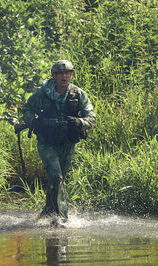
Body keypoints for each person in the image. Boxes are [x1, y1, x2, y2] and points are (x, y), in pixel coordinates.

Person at [21, 60, 96, 220]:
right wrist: (33, 121)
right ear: (54, 75)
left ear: (71, 75)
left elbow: (91, 118)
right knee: (56, 176)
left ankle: (48, 211)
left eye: (67, 73)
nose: (64, 76)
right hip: (46, 143)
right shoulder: (43, 93)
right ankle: (63, 218)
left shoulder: (78, 94)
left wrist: (79, 122)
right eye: (60, 73)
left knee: (58, 181)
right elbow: (27, 108)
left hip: (67, 144)